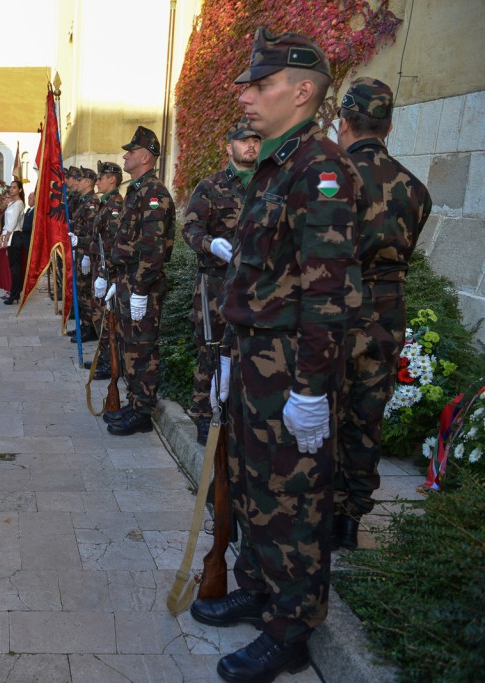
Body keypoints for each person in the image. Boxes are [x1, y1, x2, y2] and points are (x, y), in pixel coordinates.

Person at [190, 29, 364, 683]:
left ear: (302, 91)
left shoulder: (319, 171)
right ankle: (259, 589)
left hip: (291, 369)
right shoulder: (275, 165)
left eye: (260, 85)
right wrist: (230, 354)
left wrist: (312, 388)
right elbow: (258, 273)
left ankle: (290, 629)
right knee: (255, 486)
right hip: (254, 361)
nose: (245, 95)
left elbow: (327, 291)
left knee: (293, 497)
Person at [334, 77, 432, 549]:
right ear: (389, 127)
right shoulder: (415, 188)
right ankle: (350, 519)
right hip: (389, 309)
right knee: (366, 415)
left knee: (321, 407)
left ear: (343, 121)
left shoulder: (332, 177)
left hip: (338, 305)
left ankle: (319, 512)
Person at [181, 118, 261, 444]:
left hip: (255, 285)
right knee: (211, 351)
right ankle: (204, 415)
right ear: (229, 147)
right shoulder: (211, 186)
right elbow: (190, 228)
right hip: (215, 284)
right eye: (243, 140)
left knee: (249, 352)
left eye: (256, 140)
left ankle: (240, 417)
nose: (251, 145)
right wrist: (209, 243)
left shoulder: (269, 184)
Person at [103, 126, 176, 436]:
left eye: (131, 152)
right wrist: (116, 280)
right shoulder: (138, 190)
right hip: (128, 279)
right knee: (129, 345)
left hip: (140, 283)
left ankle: (142, 411)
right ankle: (134, 403)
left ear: (146, 157)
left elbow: (153, 246)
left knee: (142, 348)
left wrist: (141, 288)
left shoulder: (153, 193)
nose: (125, 157)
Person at [85, 160, 125, 378]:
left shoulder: (115, 206)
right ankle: (104, 357)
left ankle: (111, 363)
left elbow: (112, 245)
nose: (97, 181)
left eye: (100, 178)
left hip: (108, 273)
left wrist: (103, 275)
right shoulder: (106, 203)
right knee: (99, 316)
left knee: (106, 319)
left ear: (112, 179)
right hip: (100, 268)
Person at [69, 166, 99, 343]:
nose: (77, 182)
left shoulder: (92, 202)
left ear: (88, 182)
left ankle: (90, 327)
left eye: (80, 180)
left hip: (85, 251)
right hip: (79, 250)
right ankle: (84, 324)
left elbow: (92, 232)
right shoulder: (83, 201)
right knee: (80, 290)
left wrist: (87, 254)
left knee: (86, 291)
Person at [1, 180, 27, 305]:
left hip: (15, 236)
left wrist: (6, 239)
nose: (11, 189)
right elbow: (6, 223)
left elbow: (12, 223)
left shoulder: (19, 204)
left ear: (20, 190)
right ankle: (14, 293)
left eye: (14, 187)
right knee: (13, 267)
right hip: (11, 235)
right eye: (11, 187)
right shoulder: (12, 203)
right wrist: (3, 237)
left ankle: (15, 294)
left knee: (15, 268)